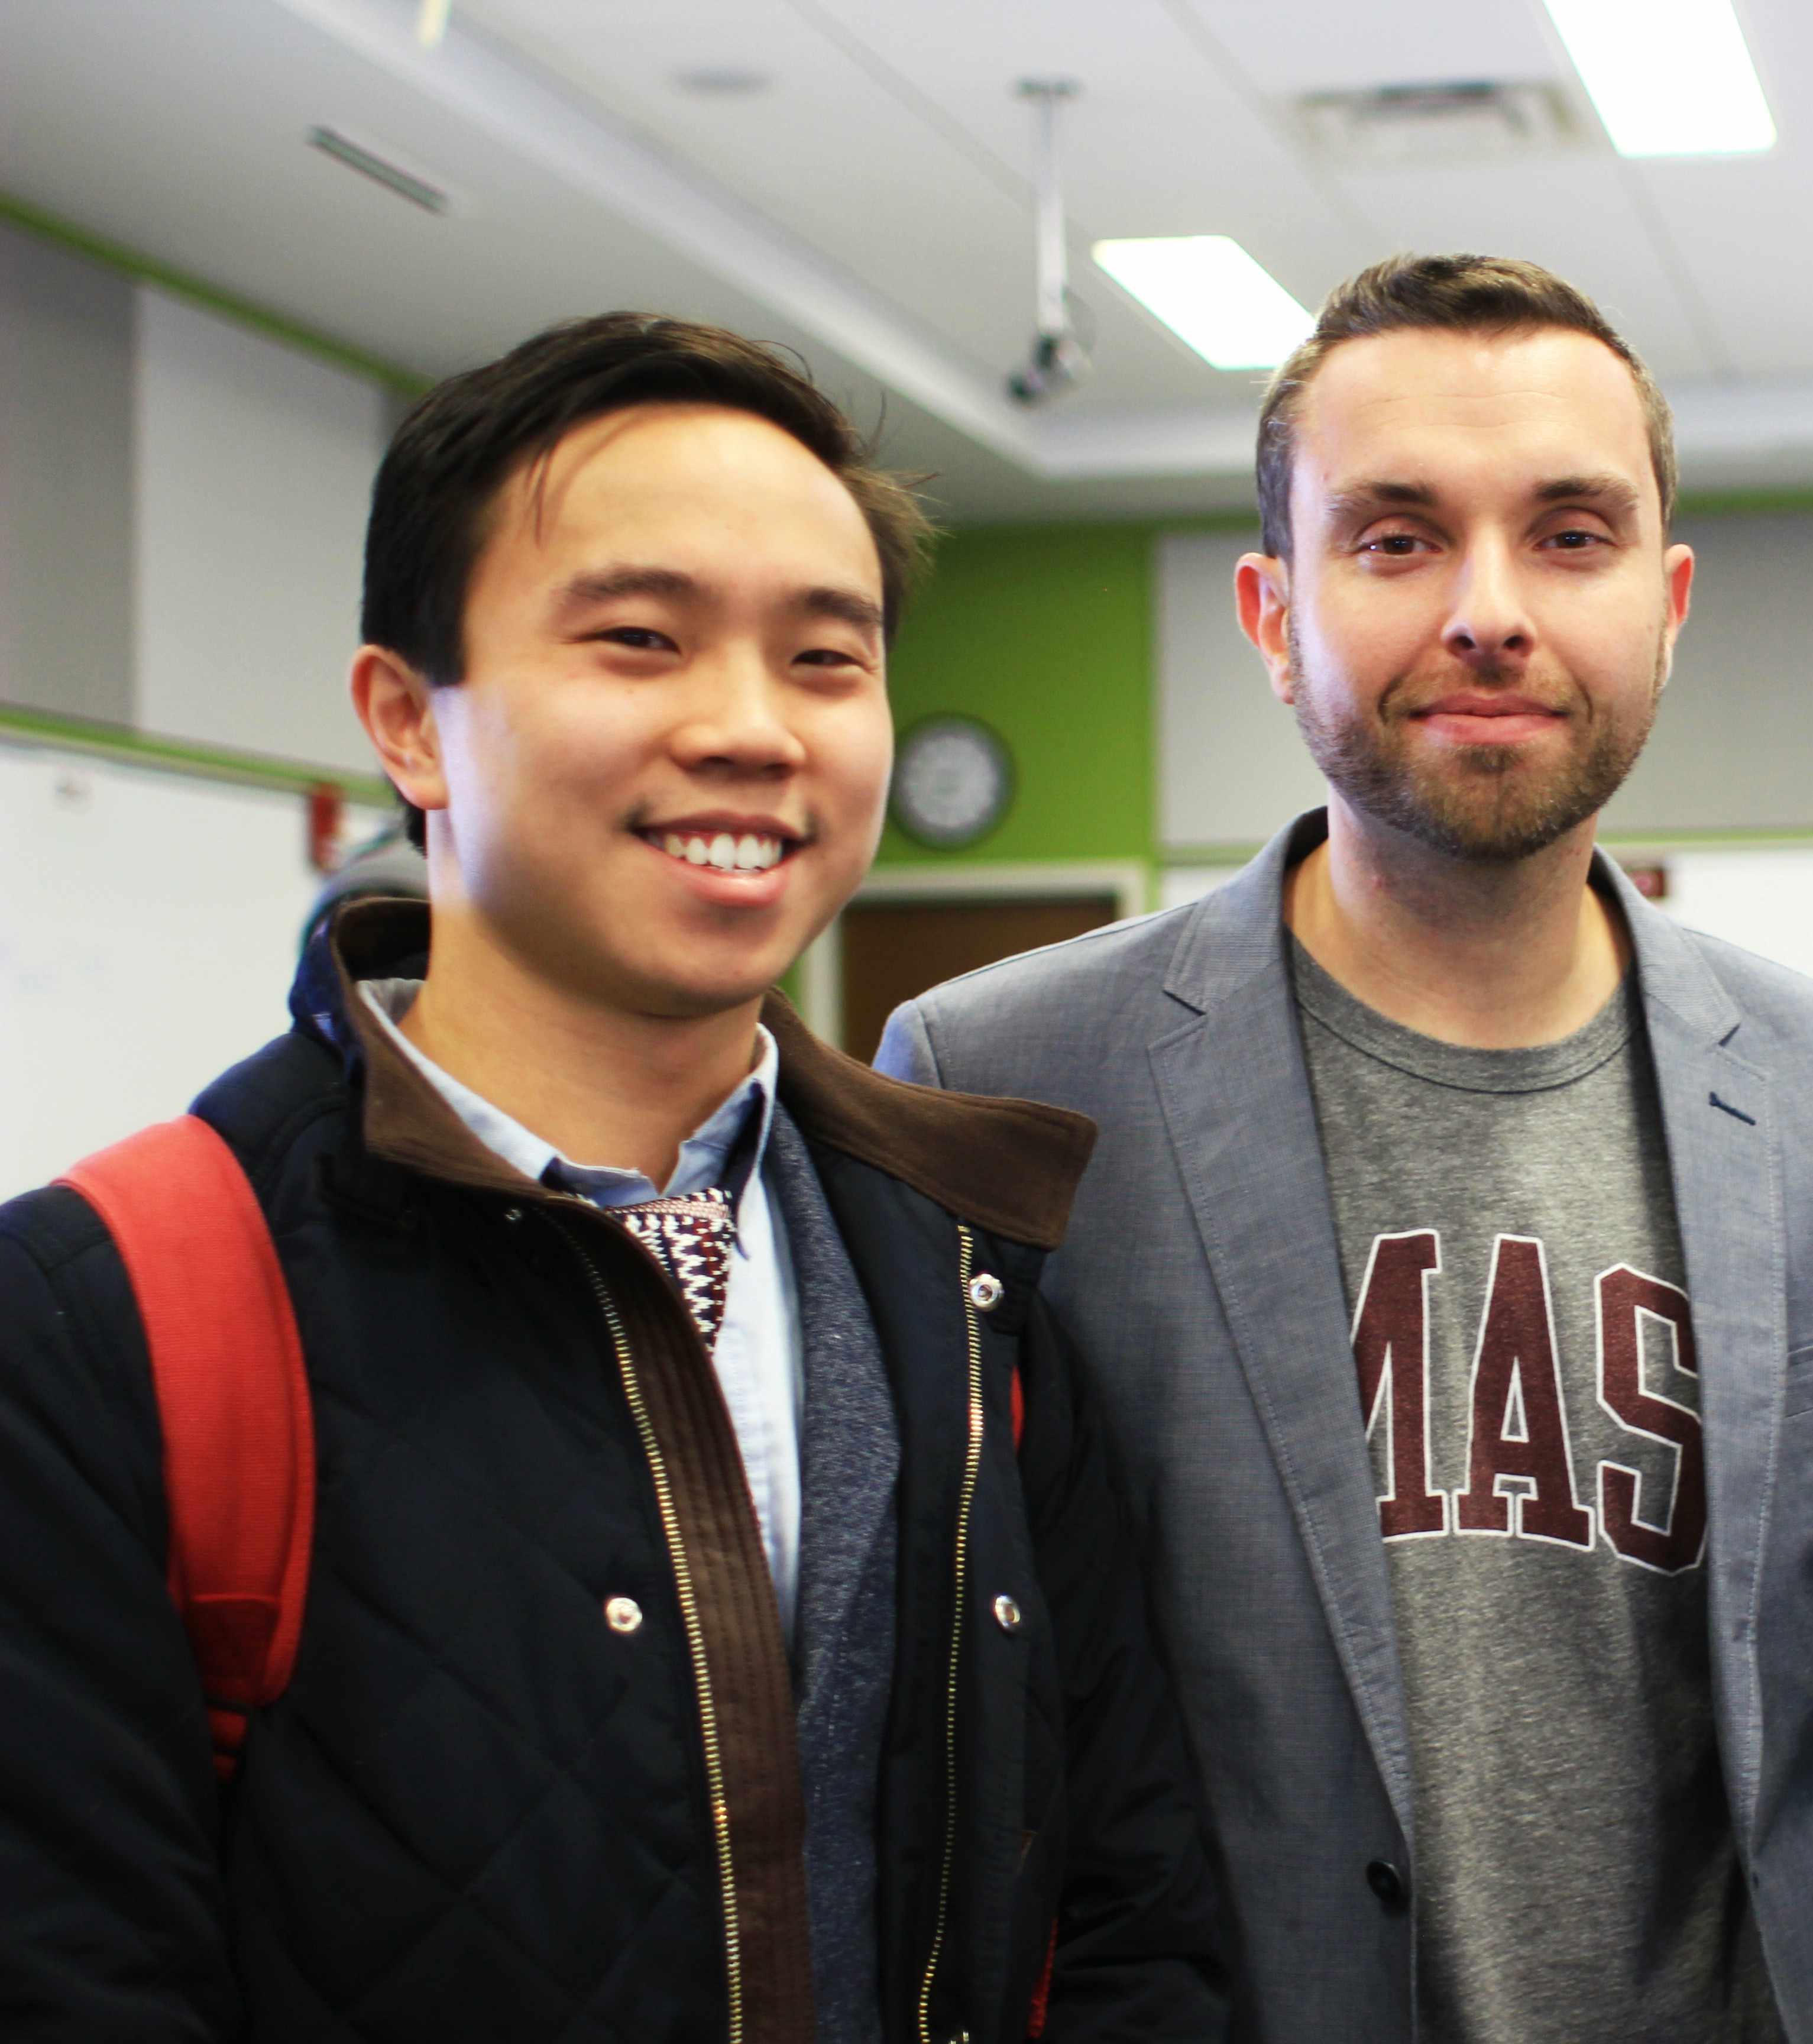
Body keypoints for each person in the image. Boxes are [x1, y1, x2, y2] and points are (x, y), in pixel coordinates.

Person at [0, 314, 1225, 2040]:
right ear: (408, 723)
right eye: (641, 639)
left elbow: (1129, 1907)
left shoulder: (969, 1275)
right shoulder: (106, 1313)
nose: (752, 728)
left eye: (825, 659)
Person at [880, 254, 1813, 2044]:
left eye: (1570, 535)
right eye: (1397, 537)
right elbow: (947, 1737)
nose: (1490, 611)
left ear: (1666, 602)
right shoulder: (1001, 1086)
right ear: (1273, 612)